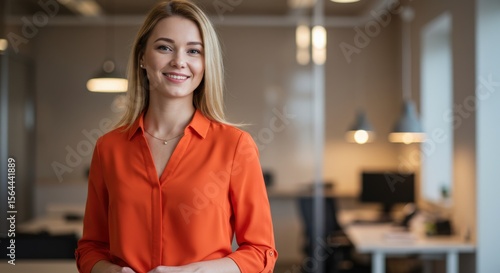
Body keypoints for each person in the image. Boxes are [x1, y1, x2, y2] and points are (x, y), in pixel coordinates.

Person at [75, 1, 277, 272]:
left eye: (194, 51)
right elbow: (90, 249)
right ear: (142, 58)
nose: (179, 61)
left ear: (205, 64)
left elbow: (262, 252)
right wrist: (113, 272)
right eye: (164, 47)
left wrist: (197, 272)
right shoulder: (108, 148)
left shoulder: (235, 146)